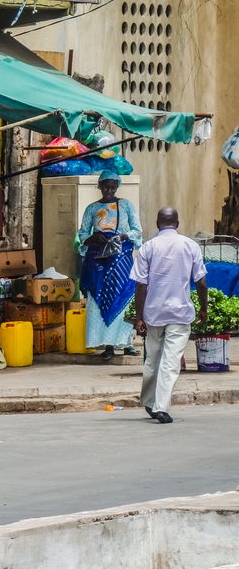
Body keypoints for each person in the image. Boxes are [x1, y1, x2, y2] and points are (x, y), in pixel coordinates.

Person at [131, 208, 208, 424]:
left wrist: (139, 317)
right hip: (180, 312)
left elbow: (140, 285)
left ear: (157, 223)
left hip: (154, 312)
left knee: (153, 359)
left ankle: (150, 402)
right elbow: (201, 282)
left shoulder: (148, 247)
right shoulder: (190, 245)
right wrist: (204, 308)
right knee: (170, 361)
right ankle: (160, 407)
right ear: (178, 222)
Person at [77, 170, 143, 360]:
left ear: (117, 187)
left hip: (121, 257)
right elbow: (82, 234)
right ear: (99, 186)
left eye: (113, 186)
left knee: (123, 297)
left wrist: (122, 236)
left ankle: (126, 342)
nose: (109, 190)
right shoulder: (91, 208)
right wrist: (94, 238)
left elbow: (137, 231)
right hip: (98, 259)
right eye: (106, 186)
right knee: (99, 299)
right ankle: (107, 346)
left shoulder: (126, 205)